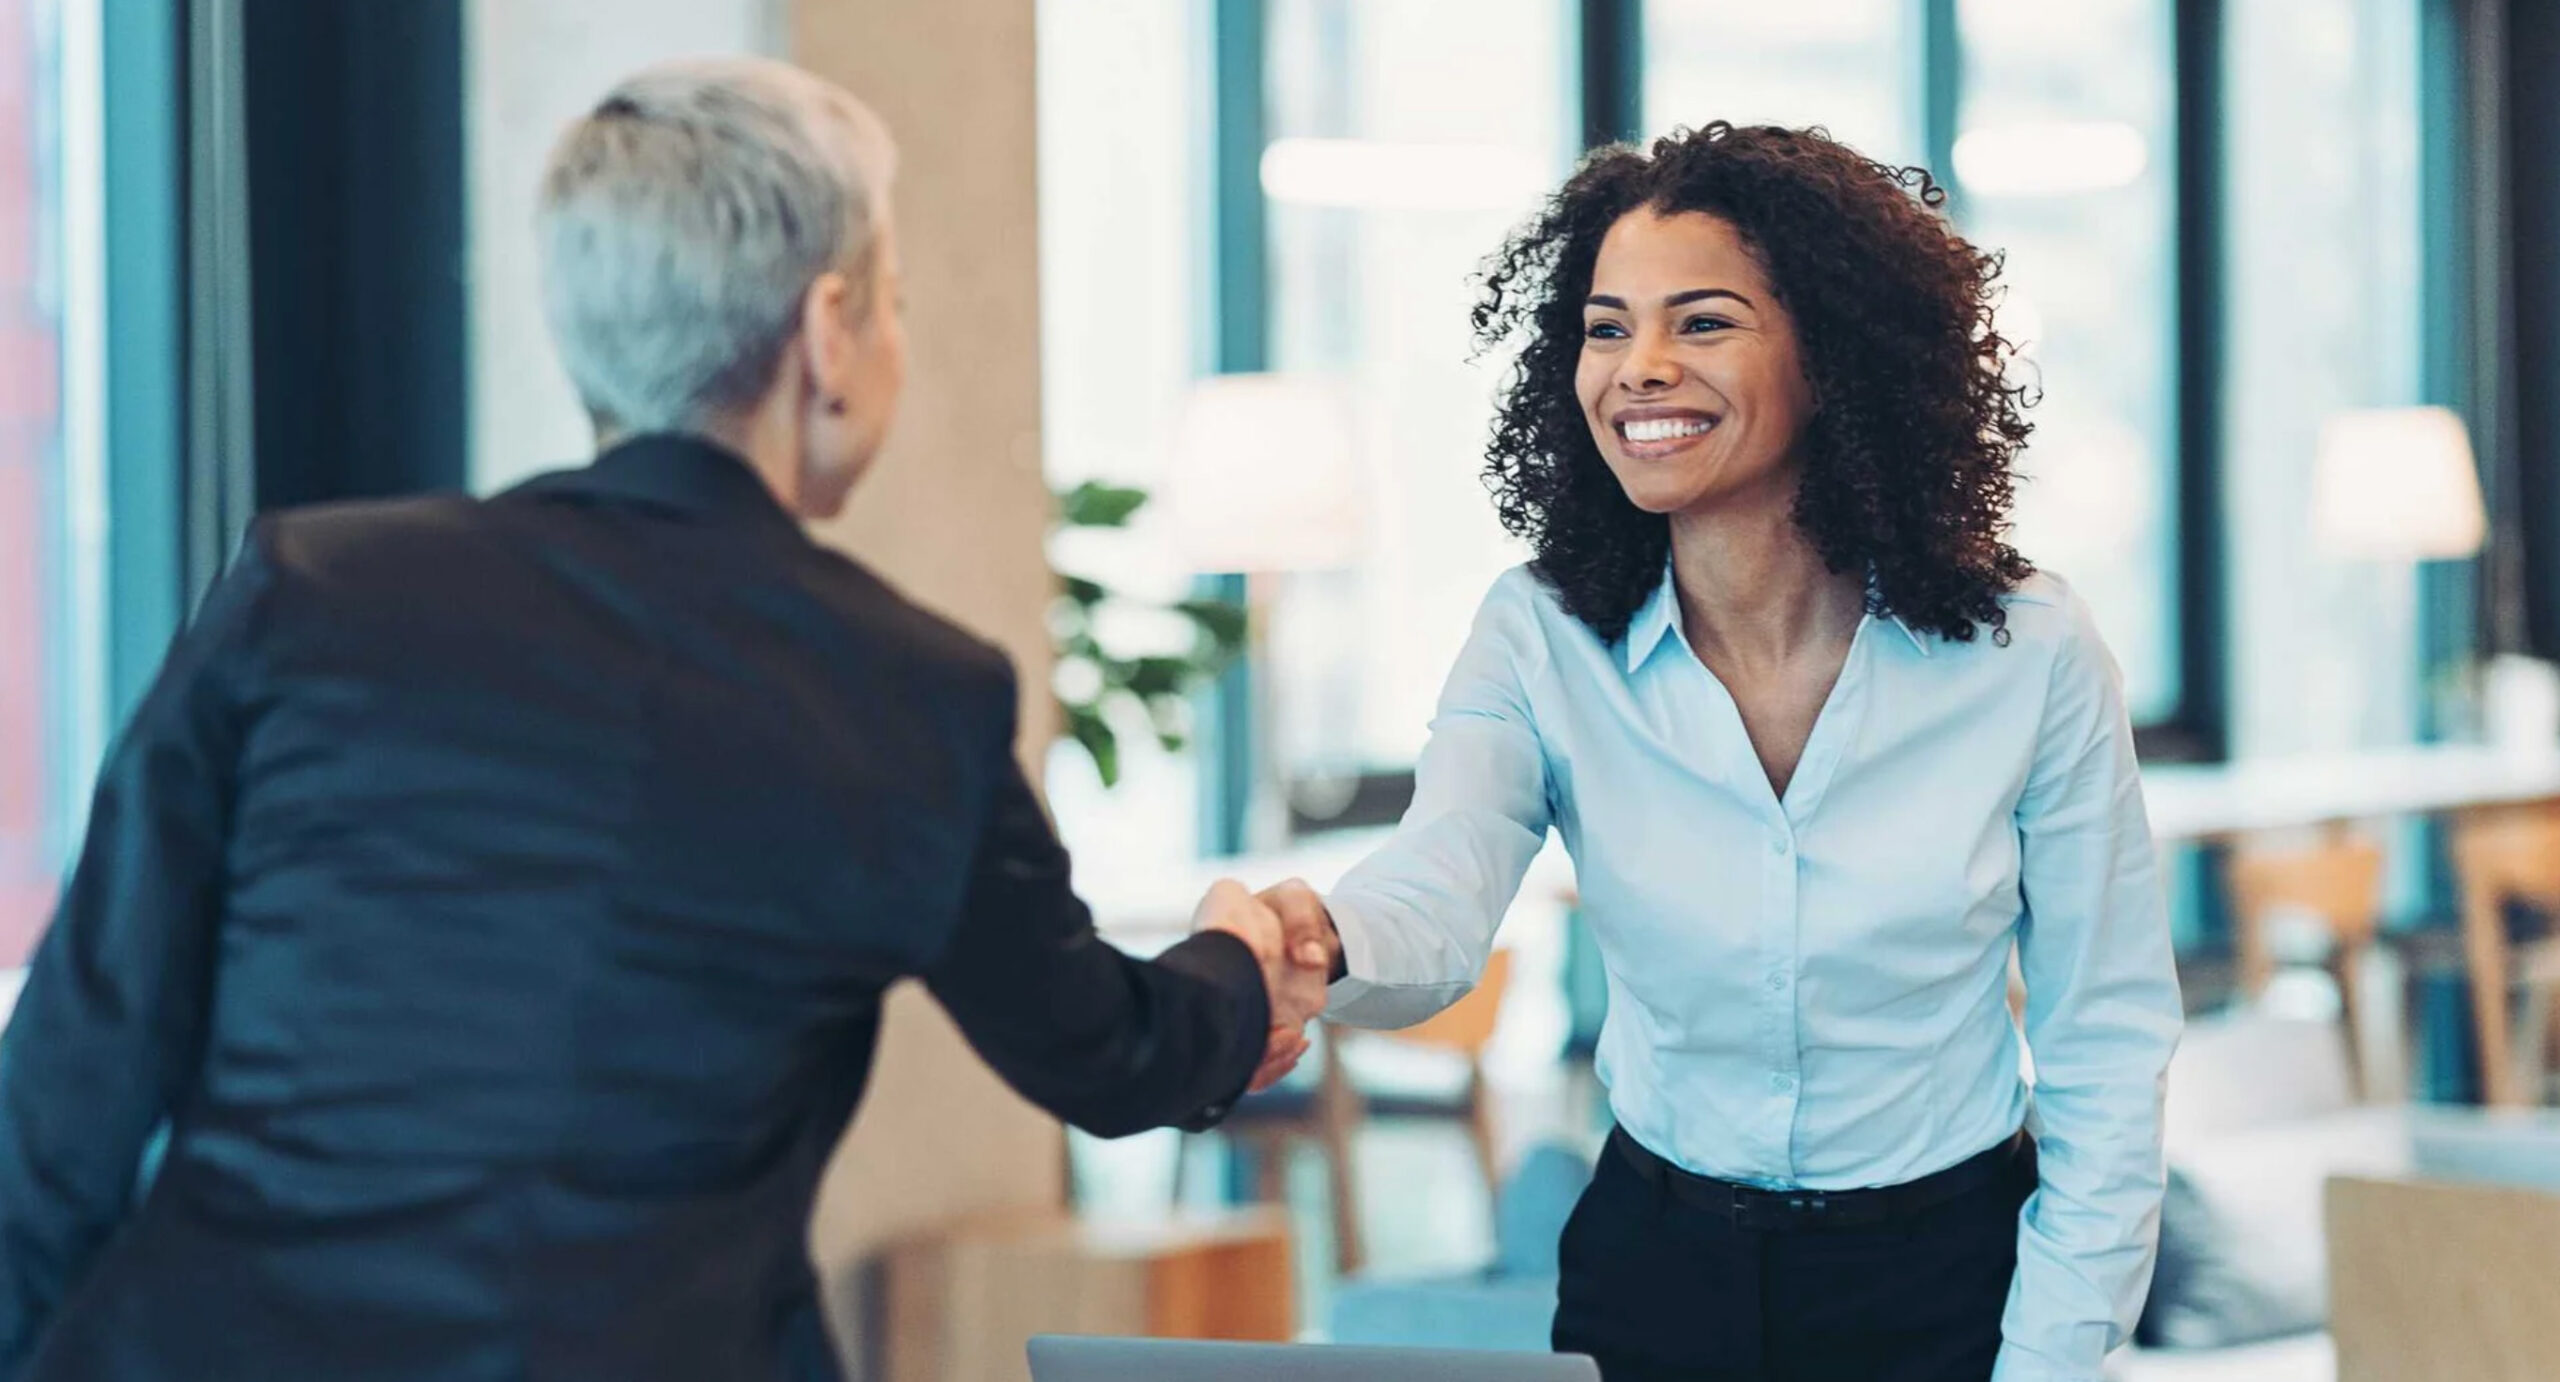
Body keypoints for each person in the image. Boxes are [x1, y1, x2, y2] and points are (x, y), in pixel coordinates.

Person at [0, 59, 1319, 1382]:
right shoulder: (909, 691)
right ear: (828, 332)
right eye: (898, 304)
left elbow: (67, 1086)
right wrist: (1237, 968)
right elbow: (1106, 1049)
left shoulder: (304, 589)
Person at [1250, 123, 2183, 1381]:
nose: (1638, 368)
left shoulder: (2030, 650)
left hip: (1945, 1276)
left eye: (1701, 323)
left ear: (1833, 357)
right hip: (1657, 1268)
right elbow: (1439, 884)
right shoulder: (1540, 635)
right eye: (1603, 326)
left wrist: (2051, 1359)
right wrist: (1319, 936)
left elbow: (2106, 1039)